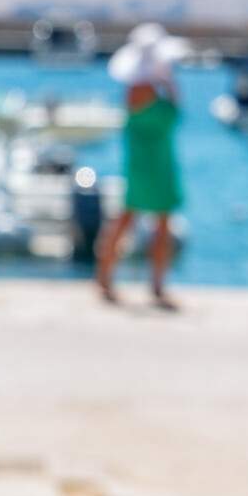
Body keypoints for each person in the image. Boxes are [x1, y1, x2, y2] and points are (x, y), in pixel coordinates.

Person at [96, 23, 188, 310]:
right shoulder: (145, 91)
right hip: (152, 164)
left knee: (128, 220)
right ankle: (153, 284)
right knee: (153, 224)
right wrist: (169, 83)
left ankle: (107, 277)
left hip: (145, 162)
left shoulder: (136, 89)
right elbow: (173, 113)